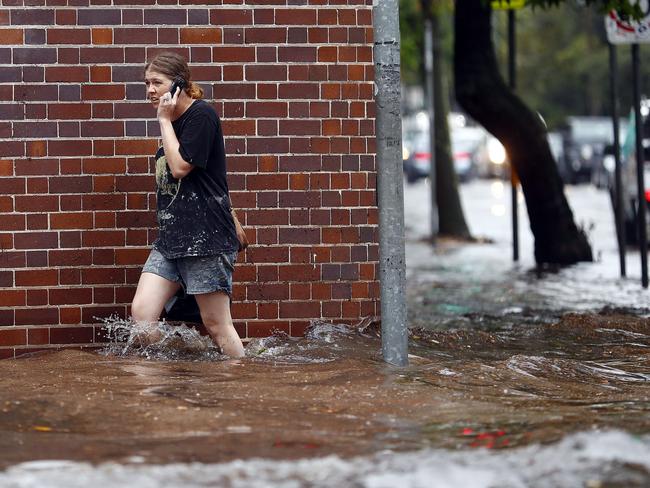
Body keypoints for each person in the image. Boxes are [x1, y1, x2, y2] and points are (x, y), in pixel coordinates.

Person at [130, 51, 245, 358]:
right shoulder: (172, 122)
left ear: (179, 83)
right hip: (171, 240)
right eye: (147, 83)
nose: (150, 90)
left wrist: (165, 121)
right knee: (142, 315)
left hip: (205, 238)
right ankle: (176, 373)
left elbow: (181, 168)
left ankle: (242, 382)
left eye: (157, 82)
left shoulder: (201, 116)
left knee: (217, 325)